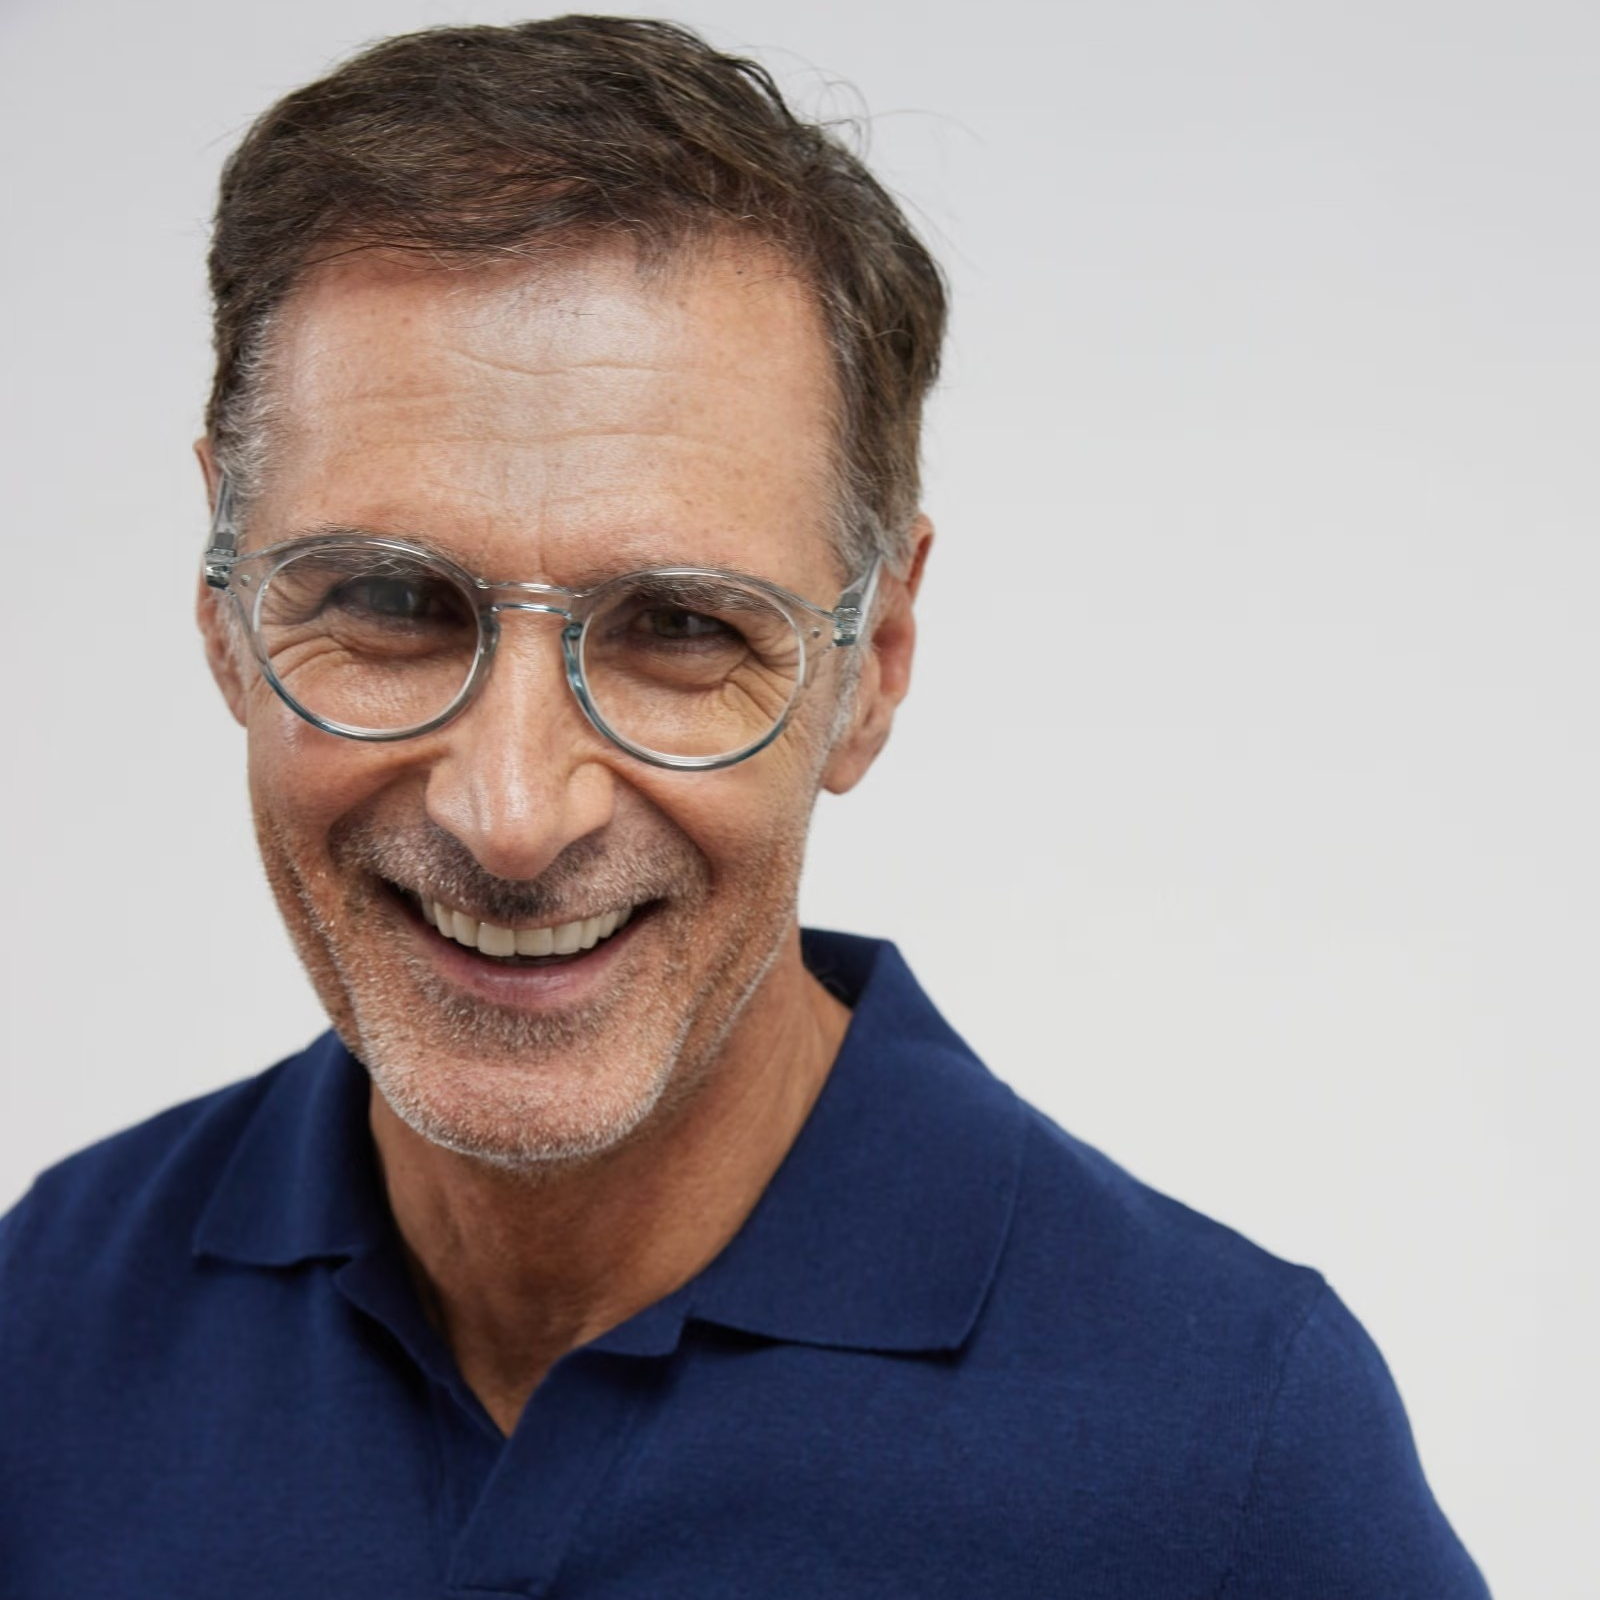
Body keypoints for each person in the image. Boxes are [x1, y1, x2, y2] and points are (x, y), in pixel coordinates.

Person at [0, 16, 1490, 1597]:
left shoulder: (1231, 1454)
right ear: (225, 612)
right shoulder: (47, 1321)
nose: (514, 812)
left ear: (875, 666)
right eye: (387, 599)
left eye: (682, 629)